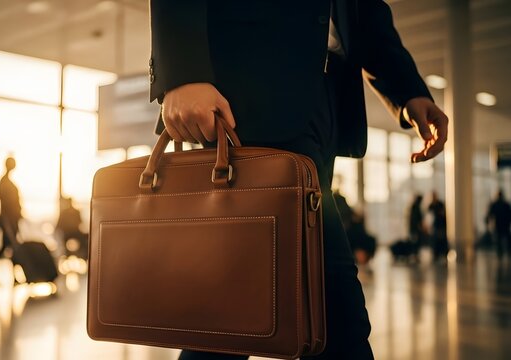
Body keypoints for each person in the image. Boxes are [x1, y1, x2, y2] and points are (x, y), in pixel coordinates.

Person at [149, 1, 448, 359]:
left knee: (233, 313)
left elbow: (364, 10)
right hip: (247, 95)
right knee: (331, 313)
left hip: (324, 98)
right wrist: (182, 72)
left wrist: (406, 88)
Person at [0, 157, 22, 269]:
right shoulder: (5, 181)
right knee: (11, 245)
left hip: (11, 219)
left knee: (10, 246)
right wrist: (6, 220)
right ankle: (13, 274)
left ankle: (14, 274)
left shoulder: (6, 181)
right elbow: (4, 201)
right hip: (9, 219)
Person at [486, 191, 511, 259]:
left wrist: (487, 221)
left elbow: (490, 214)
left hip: (499, 225)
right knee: (506, 238)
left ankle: (500, 254)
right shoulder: (506, 204)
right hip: (505, 225)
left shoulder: (496, 204)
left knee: (500, 239)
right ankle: (507, 252)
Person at [428, 191, 448, 261]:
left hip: (441, 226)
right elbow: (429, 217)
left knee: (442, 240)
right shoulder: (430, 206)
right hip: (435, 226)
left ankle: (443, 254)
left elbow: (443, 214)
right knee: (435, 241)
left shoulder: (440, 204)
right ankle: (436, 255)